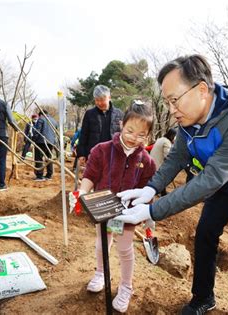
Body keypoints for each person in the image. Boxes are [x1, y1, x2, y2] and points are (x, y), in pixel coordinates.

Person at [115, 55, 228, 314]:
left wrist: (152, 210)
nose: (172, 109)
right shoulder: (188, 121)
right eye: (167, 102)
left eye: (175, 100)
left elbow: (211, 178)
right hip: (227, 185)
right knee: (205, 235)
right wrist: (150, 189)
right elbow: (177, 156)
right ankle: (203, 298)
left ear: (201, 90)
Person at [69, 101, 156, 313]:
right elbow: (90, 176)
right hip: (102, 210)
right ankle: (100, 272)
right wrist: (82, 192)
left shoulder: (147, 161)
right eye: (130, 130)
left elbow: (148, 191)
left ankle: (126, 286)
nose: (133, 137)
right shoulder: (102, 150)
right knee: (102, 244)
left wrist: (143, 213)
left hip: (125, 216)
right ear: (121, 125)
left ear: (148, 136)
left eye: (141, 134)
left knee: (125, 249)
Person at [76, 85, 124, 167]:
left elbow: (123, 135)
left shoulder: (119, 114)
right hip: (93, 154)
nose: (99, 103)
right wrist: (81, 153)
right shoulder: (90, 114)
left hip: (113, 155)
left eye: (102, 100)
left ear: (109, 97)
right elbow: (83, 135)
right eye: (96, 100)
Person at [150, 128, 177, 195]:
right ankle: (162, 192)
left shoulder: (160, 139)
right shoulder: (166, 142)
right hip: (157, 163)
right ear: (172, 136)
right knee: (166, 174)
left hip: (152, 161)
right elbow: (167, 155)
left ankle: (162, 191)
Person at [33, 110, 58, 181]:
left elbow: (37, 131)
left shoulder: (41, 119)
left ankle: (39, 175)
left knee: (39, 158)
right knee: (49, 158)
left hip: (41, 142)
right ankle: (49, 175)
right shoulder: (54, 121)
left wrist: (34, 139)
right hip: (51, 142)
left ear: (40, 114)